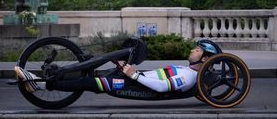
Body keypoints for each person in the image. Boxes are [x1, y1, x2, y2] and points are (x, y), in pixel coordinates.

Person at [14, 39, 221, 94]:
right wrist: (129, 69)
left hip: (134, 86)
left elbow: (162, 87)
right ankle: (43, 77)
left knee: (89, 82)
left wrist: (133, 75)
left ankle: (39, 84)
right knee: (95, 70)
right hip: (134, 79)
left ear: (205, 59)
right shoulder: (188, 70)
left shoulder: (189, 77)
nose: (192, 50)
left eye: (197, 50)